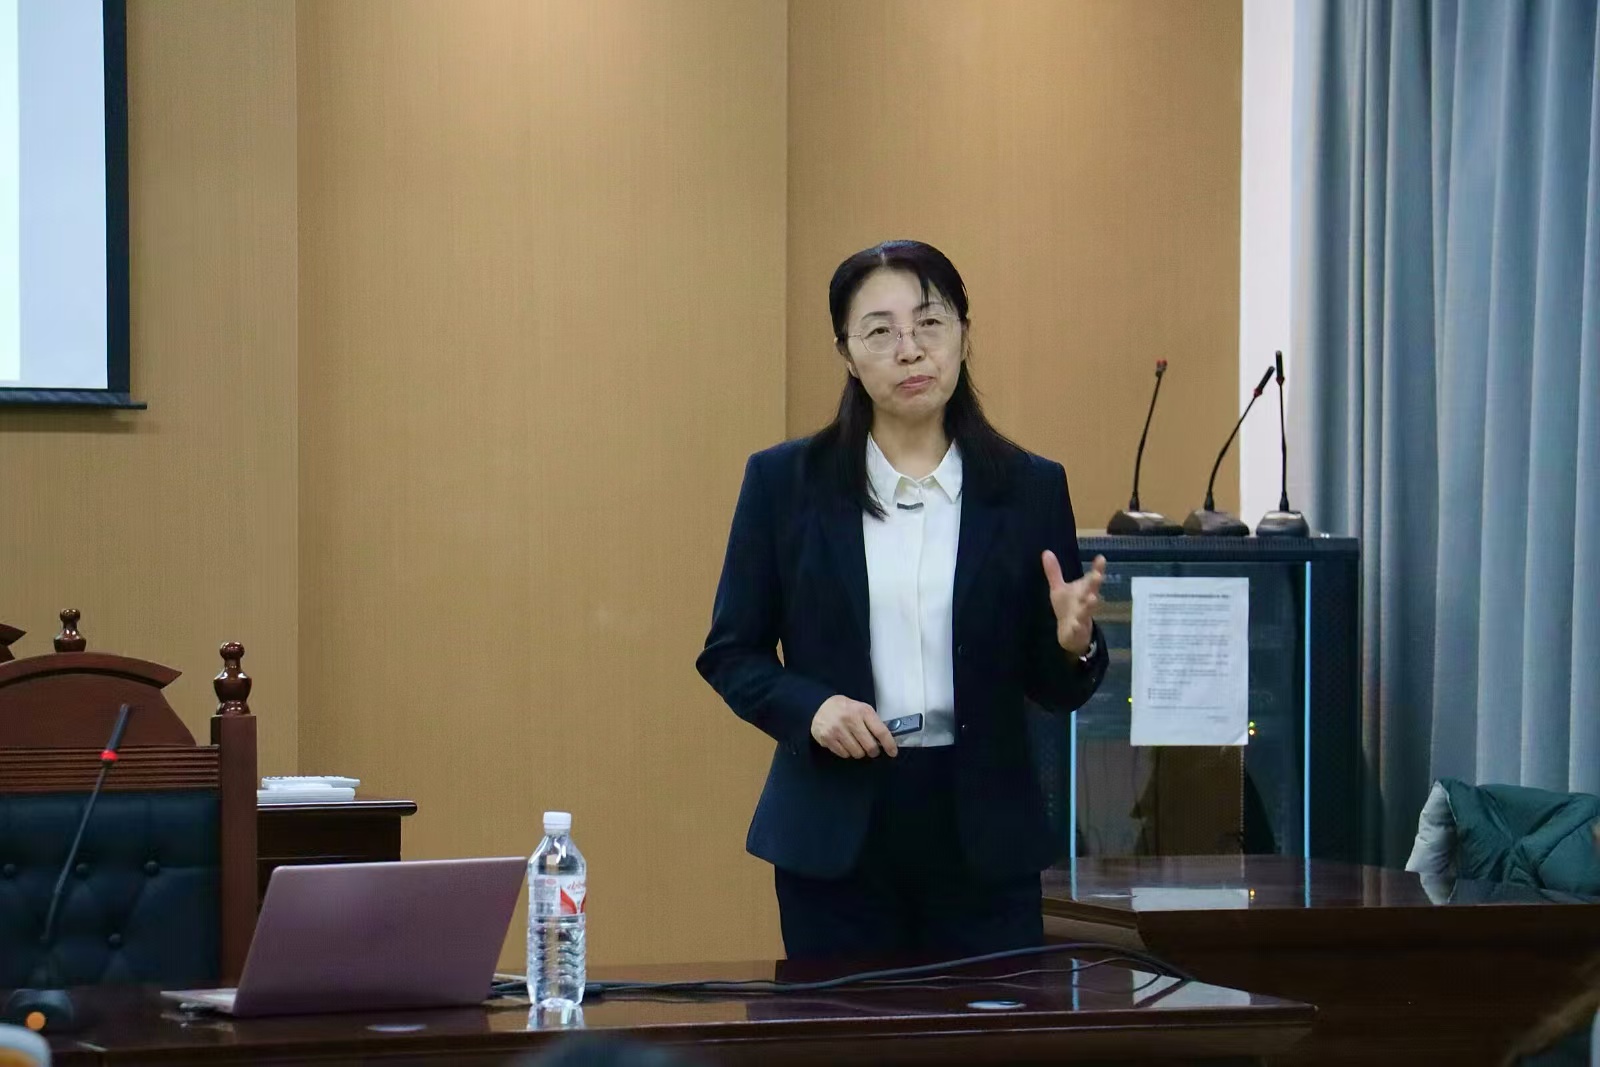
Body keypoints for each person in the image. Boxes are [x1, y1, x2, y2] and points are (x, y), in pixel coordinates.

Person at [697, 239, 1108, 961]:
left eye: (930, 324)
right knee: (844, 1026)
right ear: (847, 353)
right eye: (880, 331)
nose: (910, 350)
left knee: (989, 1025)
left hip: (983, 832)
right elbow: (731, 651)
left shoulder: (1029, 487)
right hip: (837, 832)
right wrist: (813, 709)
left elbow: (1052, 685)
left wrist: (1072, 645)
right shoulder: (784, 484)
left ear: (964, 335)